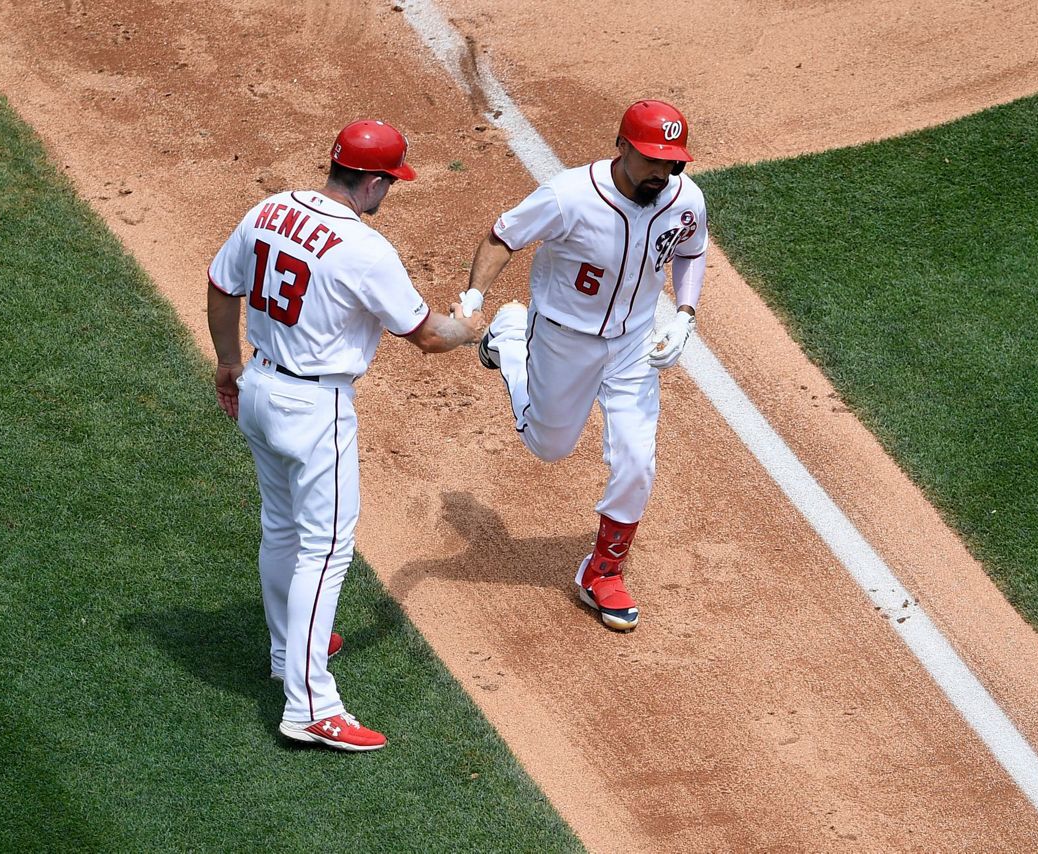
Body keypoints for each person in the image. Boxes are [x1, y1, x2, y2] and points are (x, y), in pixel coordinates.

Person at [207, 120, 484, 751]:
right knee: (326, 549)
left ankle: (286, 650)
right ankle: (309, 706)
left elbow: (223, 287)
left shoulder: (269, 208)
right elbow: (429, 336)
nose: (389, 193)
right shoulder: (365, 248)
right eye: (390, 182)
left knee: (282, 528)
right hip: (315, 408)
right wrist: (470, 325)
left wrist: (227, 361)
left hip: (259, 386)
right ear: (374, 180)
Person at [467, 100, 708, 632]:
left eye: (671, 162)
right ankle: (509, 337)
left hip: (633, 346)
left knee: (637, 458)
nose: (660, 172)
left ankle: (602, 572)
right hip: (562, 339)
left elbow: (691, 249)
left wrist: (685, 315)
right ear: (621, 145)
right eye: (650, 158)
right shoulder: (569, 195)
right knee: (548, 447)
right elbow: (502, 235)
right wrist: (473, 300)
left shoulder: (686, 199)